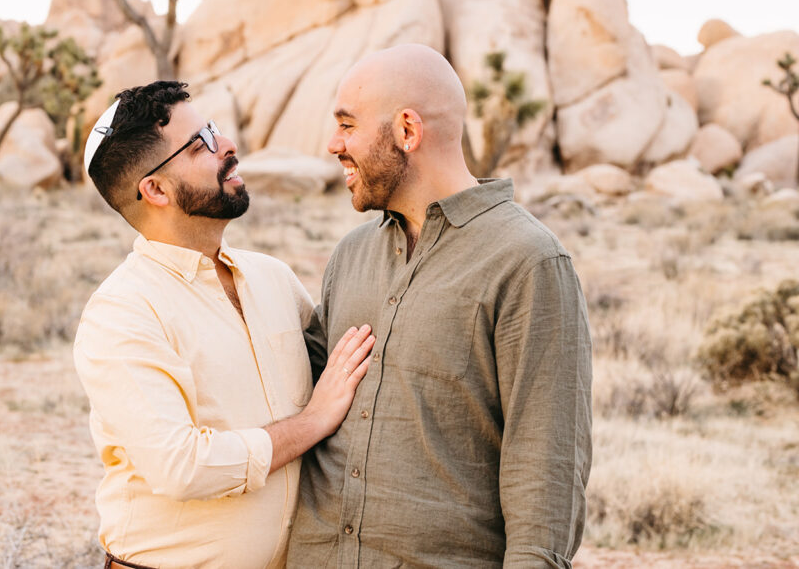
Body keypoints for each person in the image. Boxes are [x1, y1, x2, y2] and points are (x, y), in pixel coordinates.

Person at [286, 45, 593, 569]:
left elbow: (547, 470)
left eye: (347, 124)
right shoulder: (351, 254)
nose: (335, 144)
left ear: (407, 130)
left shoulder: (528, 262)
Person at [72, 80, 375, 569]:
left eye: (213, 130)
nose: (227, 146)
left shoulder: (273, 278)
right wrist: (313, 421)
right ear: (155, 190)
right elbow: (182, 467)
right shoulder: (122, 311)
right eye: (201, 145)